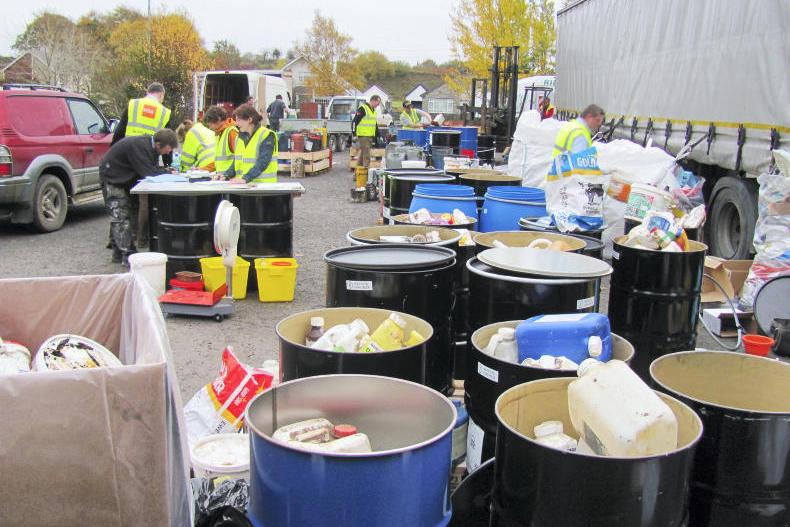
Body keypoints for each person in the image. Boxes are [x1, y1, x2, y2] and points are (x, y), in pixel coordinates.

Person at [100, 129, 178, 264]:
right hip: (112, 178)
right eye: (168, 149)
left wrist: (164, 171)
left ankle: (118, 253)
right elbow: (148, 172)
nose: (168, 153)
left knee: (123, 215)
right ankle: (129, 255)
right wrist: (167, 173)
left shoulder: (149, 146)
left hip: (121, 177)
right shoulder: (140, 147)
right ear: (159, 144)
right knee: (120, 215)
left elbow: (150, 169)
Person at [224, 104, 278, 183]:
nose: (236, 123)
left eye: (239, 120)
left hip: (263, 188)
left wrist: (245, 178)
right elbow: (236, 162)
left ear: (249, 119)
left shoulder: (266, 135)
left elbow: (263, 162)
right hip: (243, 187)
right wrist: (226, 175)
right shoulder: (238, 138)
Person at [203, 106, 239, 174]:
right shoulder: (220, 134)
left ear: (218, 119)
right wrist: (203, 169)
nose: (210, 128)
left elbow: (239, 158)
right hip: (223, 180)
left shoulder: (231, 133)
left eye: (210, 124)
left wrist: (228, 174)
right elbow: (219, 162)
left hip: (230, 180)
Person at [352, 95, 381, 168]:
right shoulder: (363, 109)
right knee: (367, 157)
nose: (378, 105)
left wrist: (378, 134)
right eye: (378, 103)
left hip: (369, 136)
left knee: (362, 157)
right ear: (373, 101)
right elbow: (354, 122)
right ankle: (366, 175)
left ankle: (357, 175)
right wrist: (354, 134)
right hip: (363, 136)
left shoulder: (373, 111)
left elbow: (374, 124)